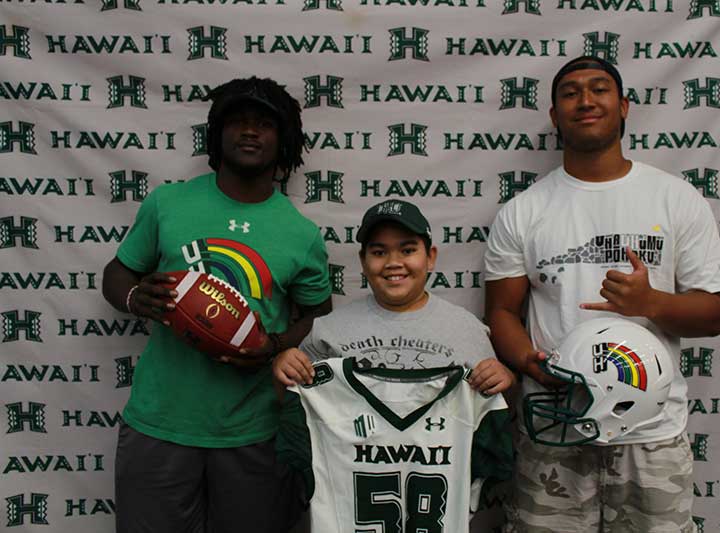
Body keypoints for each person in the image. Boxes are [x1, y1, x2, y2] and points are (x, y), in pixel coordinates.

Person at [484, 56, 720, 533]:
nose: (585, 100)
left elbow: (715, 314)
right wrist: (529, 362)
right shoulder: (523, 211)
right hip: (556, 421)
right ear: (555, 116)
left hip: (651, 431)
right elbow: (501, 311)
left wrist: (651, 303)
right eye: (570, 93)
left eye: (598, 89)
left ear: (623, 107)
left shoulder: (675, 199)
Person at [102, 76, 332, 533]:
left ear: (284, 140)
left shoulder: (300, 233)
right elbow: (117, 273)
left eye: (264, 124)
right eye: (238, 121)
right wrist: (134, 297)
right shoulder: (168, 203)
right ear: (217, 134)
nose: (250, 131)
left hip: (253, 428)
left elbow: (317, 316)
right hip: (159, 423)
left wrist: (275, 346)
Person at [273, 198, 515, 395]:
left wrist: (506, 379)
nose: (393, 263)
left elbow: (494, 411)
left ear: (430, 257)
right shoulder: (327, 330)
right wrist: (285, 367)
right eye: (379, 252)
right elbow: (295, 403)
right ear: (363, 261)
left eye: (408, 250)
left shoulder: (468, 330)